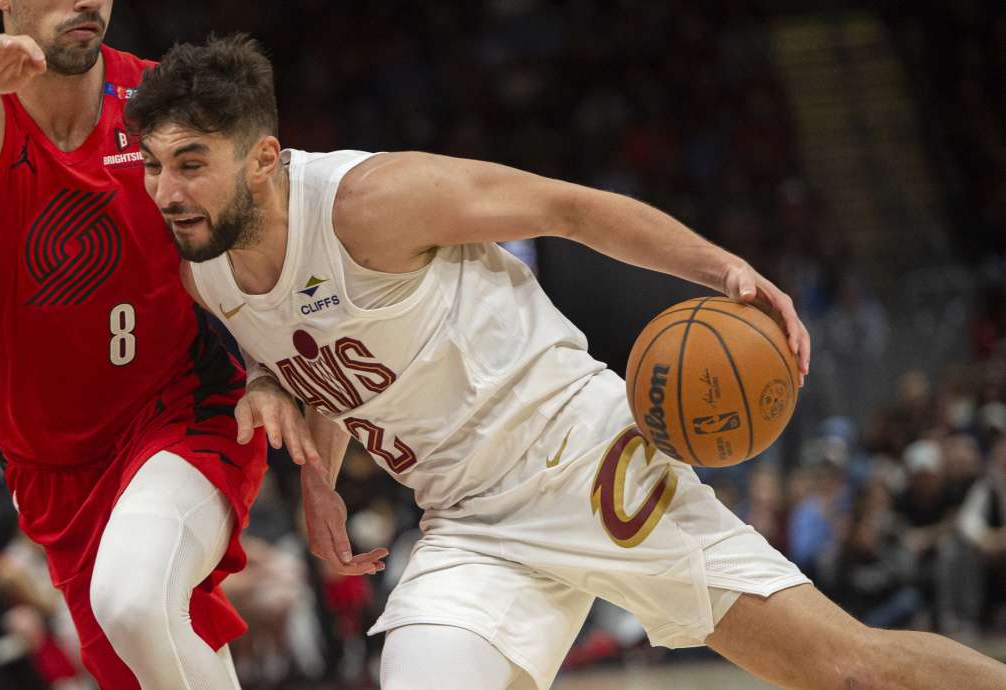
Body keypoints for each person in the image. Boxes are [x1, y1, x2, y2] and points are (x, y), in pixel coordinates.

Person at [128, 34, 1006, 690]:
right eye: (158, 166)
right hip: (470, 524)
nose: (167, 191)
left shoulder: (373, 201)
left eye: (192, 164)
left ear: (266, 159)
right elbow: (311, 351)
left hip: (590, 466)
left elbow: (568, 208)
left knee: (850, 670)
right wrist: (312, 458)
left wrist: (723, 269)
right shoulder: (207, 267)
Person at [0, 4, 315, 688]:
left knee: (136, 600)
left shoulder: (163, 99)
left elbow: (271, 239)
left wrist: (270, 367)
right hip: (51, 467)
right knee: (148, 658)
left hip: (182, 409)